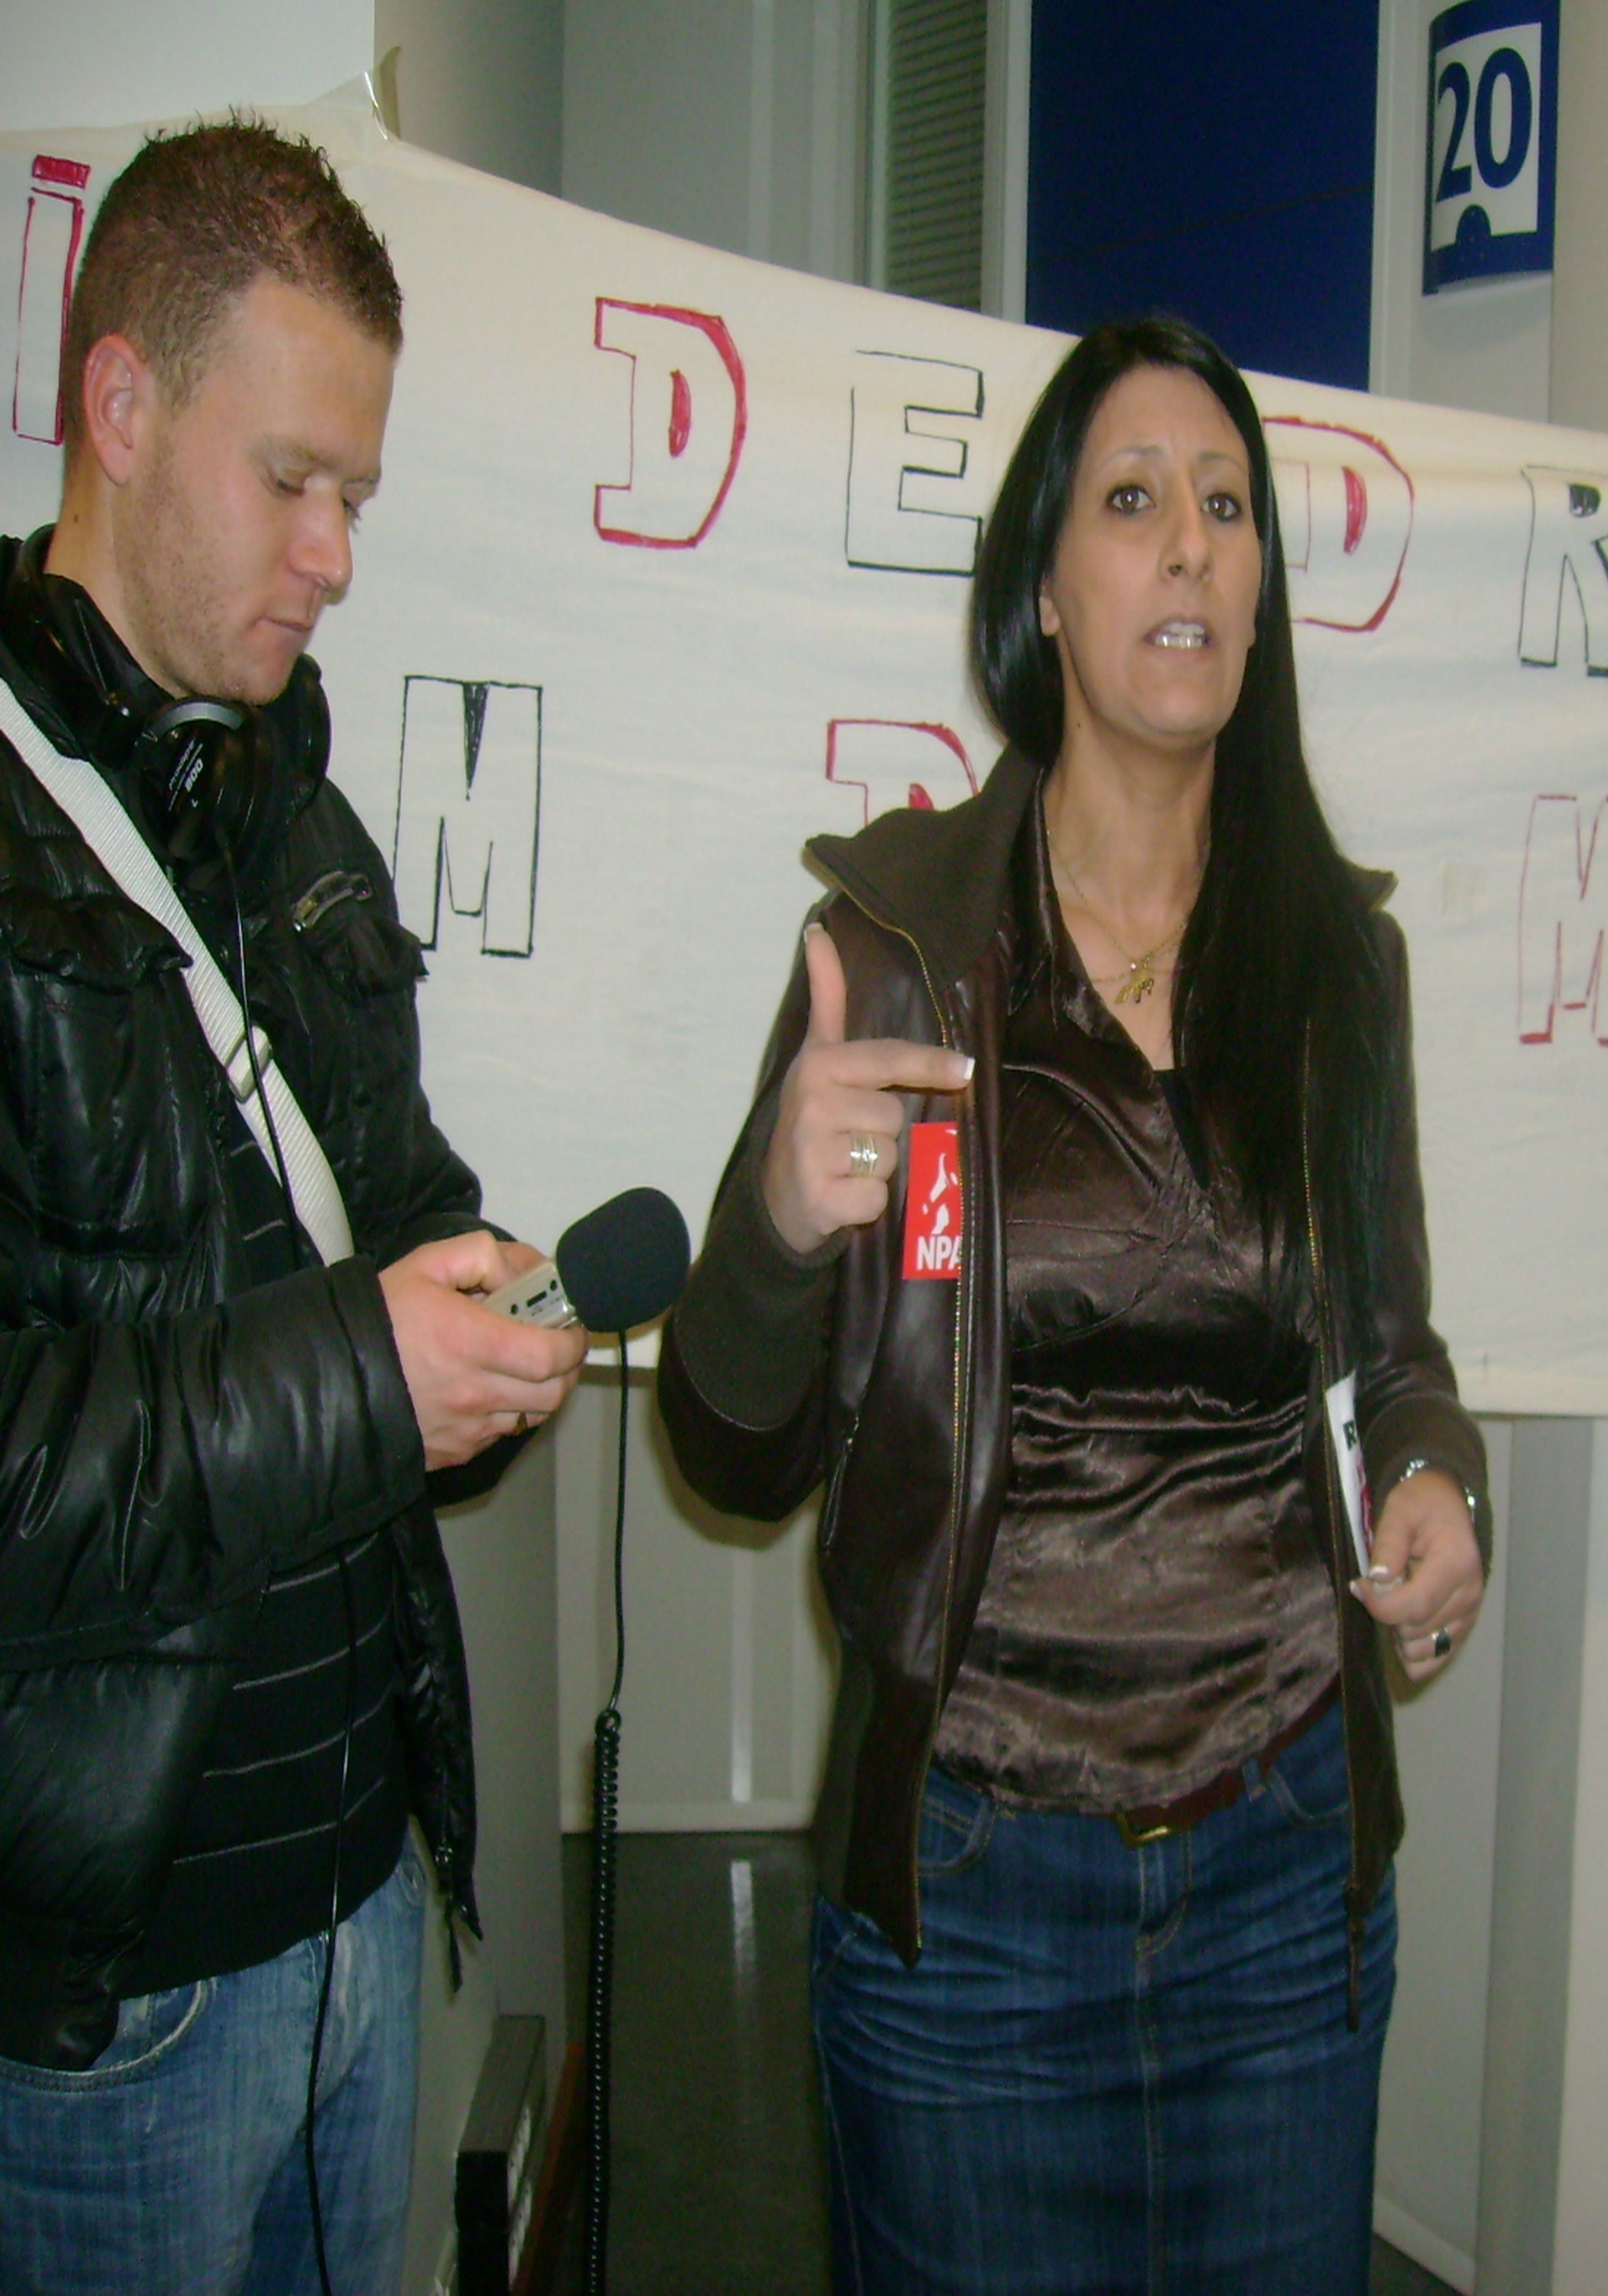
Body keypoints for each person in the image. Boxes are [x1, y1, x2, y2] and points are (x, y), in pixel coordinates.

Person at [661, 316, 1488, 2294]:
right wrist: (777, 1216)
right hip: (971, 1891)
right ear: (1043, 587)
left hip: (1284, 1861)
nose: (1189, 544)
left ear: (1261, 590)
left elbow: (1392, 1354)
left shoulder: (1336, 964)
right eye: (1132, 500)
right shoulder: (900, 950)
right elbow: (729, 1452)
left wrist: (1439, 1483)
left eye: (1226, 507)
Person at [0, 119, 586, 2296]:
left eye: (359, 494)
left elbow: (393, 1207)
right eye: (292, 481)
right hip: (111, 2008)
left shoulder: (291, 803)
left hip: (363, 1901)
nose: (334, 555)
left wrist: (484, 1323)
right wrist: (365, 1372)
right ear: (121, 404)